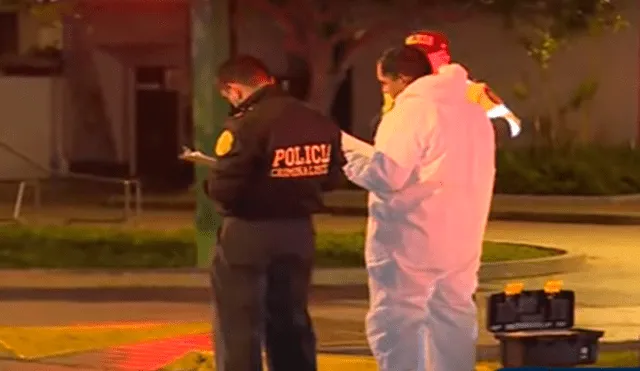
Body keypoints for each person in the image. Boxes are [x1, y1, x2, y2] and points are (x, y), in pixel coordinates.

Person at [342, 46, 495, 371]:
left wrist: (348, 157)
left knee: (398, 320)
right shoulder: (472, 110)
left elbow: (388, 174)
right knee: (453, 314)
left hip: (411, 235)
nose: (385, 91)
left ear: (404, 79)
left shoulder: (412, 111)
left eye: (386, 83)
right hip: (463, 236)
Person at [206, 55, 345, 371]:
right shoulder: (316, 119)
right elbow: (333, 177)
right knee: (291, 317)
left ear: (235, 89)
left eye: (228, 95)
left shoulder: (248, 124)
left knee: (239, 322)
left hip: (249, 232)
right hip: (298, 232)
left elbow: (225, 186)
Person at [370, 30, 521, 140]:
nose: (417, 61)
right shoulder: (398, 90)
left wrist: (474, 130)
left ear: (444, 57)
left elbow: (512, 124)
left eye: (424, 56)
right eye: (409, 56)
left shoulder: (470, 90)